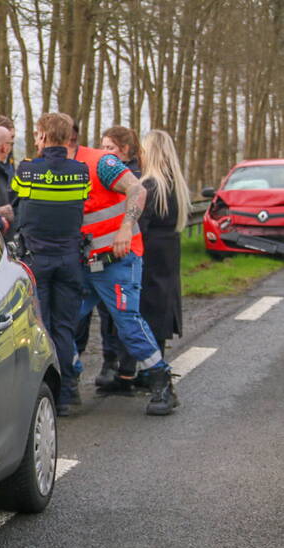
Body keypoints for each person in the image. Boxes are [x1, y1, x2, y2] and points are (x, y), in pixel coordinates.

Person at [71, 119, 177, 416]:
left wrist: (125, 229)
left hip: (116, 259)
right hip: (81, 262)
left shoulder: (101, 164)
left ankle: (161, 382)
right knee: (63, 322)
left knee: (127, 322)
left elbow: (137, 191)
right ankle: (67, 382)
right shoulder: (49, 170)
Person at [11, 113, 91, 415]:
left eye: (36, 133)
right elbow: (79, 204)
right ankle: (69, 394)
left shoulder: (27, 170)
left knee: (39, 327)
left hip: (37, 260)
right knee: (65, 328)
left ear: (43, 136)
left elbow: (17, 201)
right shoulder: (80, 171)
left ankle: (44, 393)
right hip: (70, 259)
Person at [84, 125, 143, 390]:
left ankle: (128, 368)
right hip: (99, 256)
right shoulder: (100, 173)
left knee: (124, 314)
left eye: (110, 148)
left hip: (124, 255)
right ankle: (110, 363)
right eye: (102, 147)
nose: (104, 153)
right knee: (106, 315)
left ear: (125, 150)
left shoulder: (132, 177)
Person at [138, 130, 188, 359]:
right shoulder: (176, 184)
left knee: (146, 306)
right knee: (163, 303)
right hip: (169, 250)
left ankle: (150, 366)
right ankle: (158, 359)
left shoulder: (149, 186)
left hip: (150, 251)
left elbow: (140, 225)